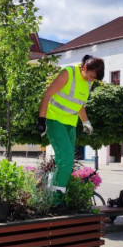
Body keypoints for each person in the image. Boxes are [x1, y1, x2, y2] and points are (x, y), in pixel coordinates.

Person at [37, 54, 104, 204]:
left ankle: (50, 193)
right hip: (55, 119)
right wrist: (41, 119)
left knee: (66, 161)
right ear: (85, 67)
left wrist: (86, 122)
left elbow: (79, 103)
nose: (91, 80)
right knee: (66, 159)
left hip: (71, 123)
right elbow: (47, 94)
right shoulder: (68, 73)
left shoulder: (88, 81)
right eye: (91, 76)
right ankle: (55, 200)